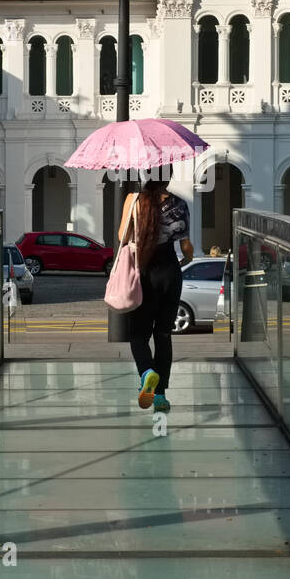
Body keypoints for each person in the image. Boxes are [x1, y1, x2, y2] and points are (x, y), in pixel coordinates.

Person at [119, 173, 193, 412]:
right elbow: (186, 246)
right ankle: (160, 396)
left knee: (138, 334)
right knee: (163, 335)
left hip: (144, 272)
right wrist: (187, 260)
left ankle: (147, 372)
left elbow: (123, 237)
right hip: (170, 271)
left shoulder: (134, 200)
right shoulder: (179, 204)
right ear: (169, 176)